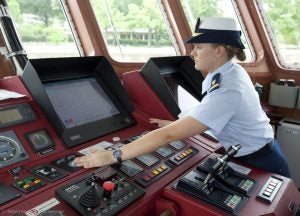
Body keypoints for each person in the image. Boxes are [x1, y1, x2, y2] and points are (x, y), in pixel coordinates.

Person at [74, 17, 291, 177]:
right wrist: (179, 123)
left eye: (198, 47)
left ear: (219, 51)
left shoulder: (228, 88)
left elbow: (168, 136)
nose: (193, 53)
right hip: (254, 151)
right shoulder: (228, 72)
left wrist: (113, 155)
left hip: (261, 162)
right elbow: (210, 111)